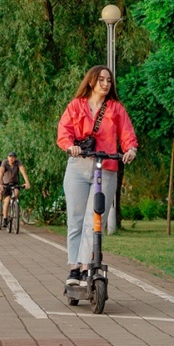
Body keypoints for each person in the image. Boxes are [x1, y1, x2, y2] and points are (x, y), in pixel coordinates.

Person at [57, 65, 138, 288]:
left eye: (109, 81)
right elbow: (64, 132)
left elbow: (128, 135)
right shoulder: (76, 106)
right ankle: (74, 266)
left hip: (107, 167)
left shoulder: (116, 109)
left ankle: (86, 267)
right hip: (78, 167)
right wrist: (70, 146)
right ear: (91, 82)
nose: (105, 84)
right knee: (75, 219)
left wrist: (130, 150)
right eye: (101, 80)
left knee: (94, 221)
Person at [0, 151, 31, 228]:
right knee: (6, 201)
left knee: (16, 194)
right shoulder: (4, 163)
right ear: (7, 157)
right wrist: (0, 184)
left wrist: (27, 182)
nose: (11, 158)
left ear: (15, 158)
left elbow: (23, 172)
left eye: (13, 157)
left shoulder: (18, 163)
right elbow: (1, 173)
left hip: (14, 183)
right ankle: (5, 219)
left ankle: (14, 205)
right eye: (10, 157)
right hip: (5, 184)